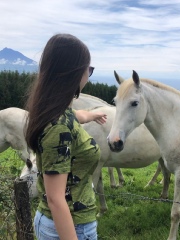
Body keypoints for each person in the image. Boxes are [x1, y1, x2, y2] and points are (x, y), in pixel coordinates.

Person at [25, 33, 107, 240]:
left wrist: (92, 114)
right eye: (88, 70)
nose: (89, 76)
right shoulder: (58, 128)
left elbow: (74, 117)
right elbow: (55, 198)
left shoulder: (54, 112)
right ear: (74, 73)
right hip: (70, 225)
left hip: (58, 222)